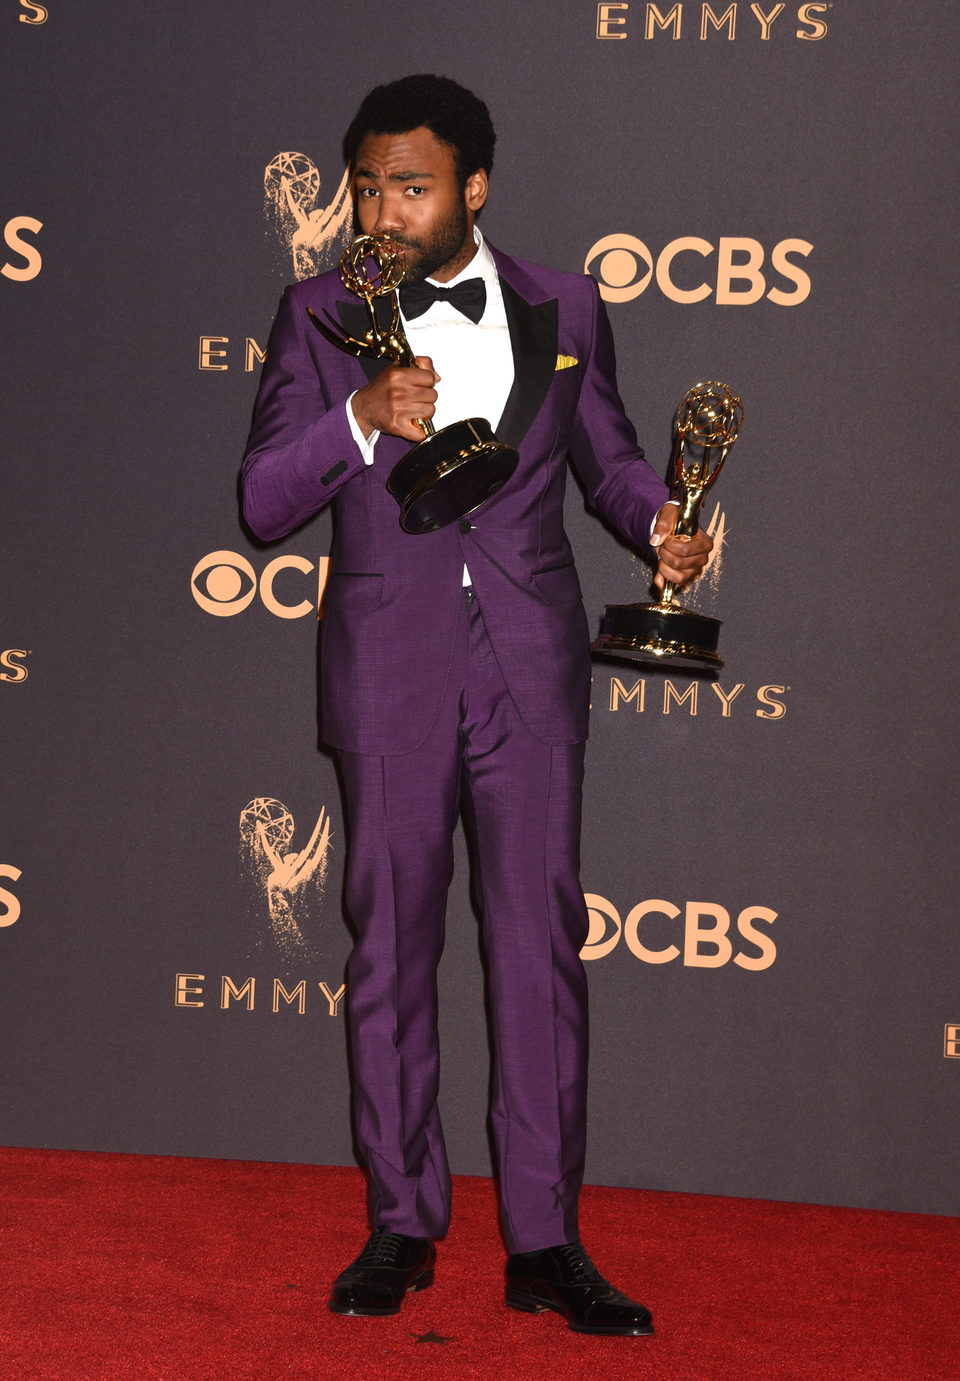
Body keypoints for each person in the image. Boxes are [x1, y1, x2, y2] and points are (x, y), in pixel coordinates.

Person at [241, 74, 712, 1338]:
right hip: (387, 668)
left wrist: (661, 528)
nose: (385, 210)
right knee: (391, 949)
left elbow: (608, 461)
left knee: (538, 951)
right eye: (370, 185)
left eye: (413, 184)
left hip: (528, 666)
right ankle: (401, 1221)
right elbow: (262, 498)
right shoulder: (317, 316)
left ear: (474, 189)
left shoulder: (568, 303)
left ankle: (548, 1240)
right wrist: (355, 415)